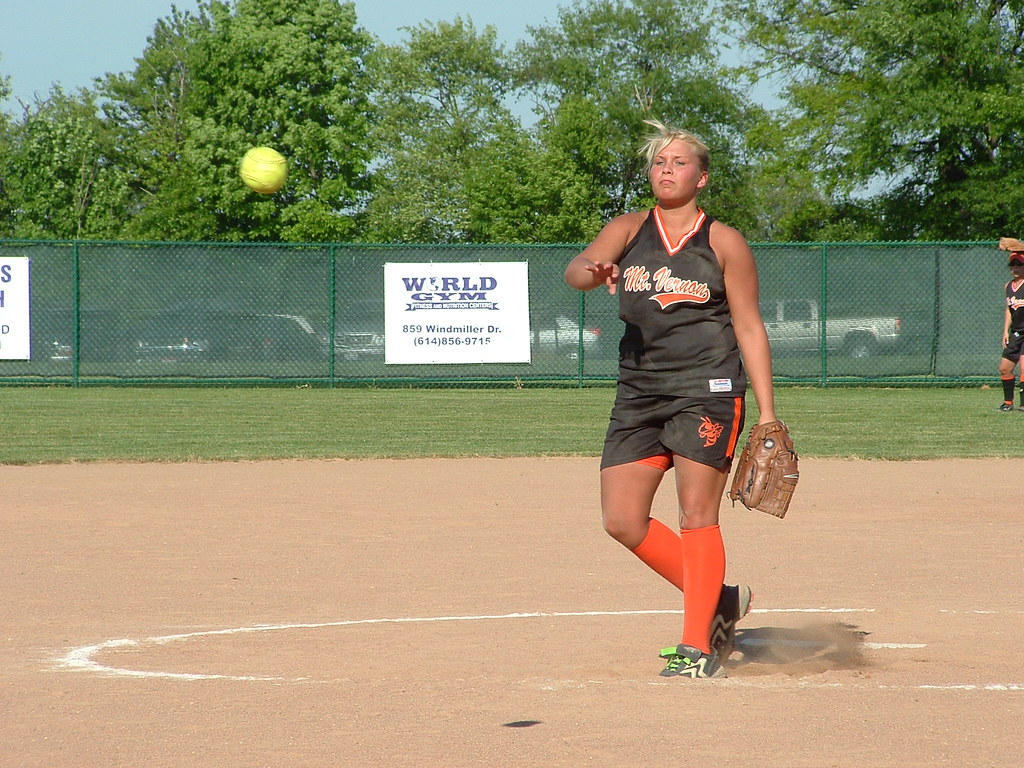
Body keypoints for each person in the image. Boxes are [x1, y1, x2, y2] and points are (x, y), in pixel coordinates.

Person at [564, 119, 779, 679]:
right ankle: (721, 600)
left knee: (694, 514)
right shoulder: (628, 229)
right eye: (659, 161)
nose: (666, 168)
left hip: (706, 390)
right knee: (622, 519)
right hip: (638, 389)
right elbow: (575, 271)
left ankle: (697, 648)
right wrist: (594, 270)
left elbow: (750, 328)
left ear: (702, 177)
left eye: (679, 161)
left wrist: (769, 412)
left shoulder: (723, 241)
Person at [997, 238, 1024, 411]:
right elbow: (1008, 310)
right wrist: (1005, 331)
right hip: (1015, 332)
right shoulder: (1008, 286)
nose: (1015, 268)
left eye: (1019, 264)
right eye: (1012, 265)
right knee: (1004, 368)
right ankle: (1008, 402)